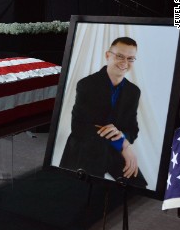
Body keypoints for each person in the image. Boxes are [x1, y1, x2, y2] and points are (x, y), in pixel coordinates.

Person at [59, 37, 147, 188]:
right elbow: (79, 127)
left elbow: (133, 129)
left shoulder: (133, 91)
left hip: (112, 149)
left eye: (130, 58)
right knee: (86, 192)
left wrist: (125, 142)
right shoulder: (86, 84)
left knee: (138, 185)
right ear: (108, 55)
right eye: (120, 56)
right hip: (84, 147)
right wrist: (121, 143)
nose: (125, 62)